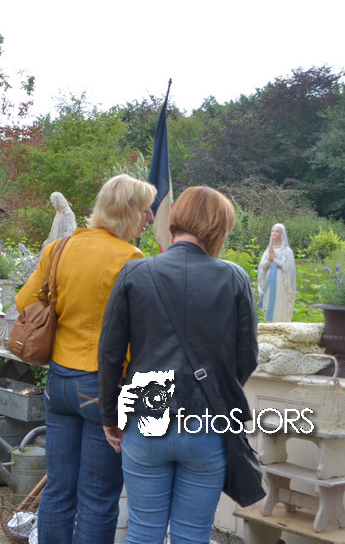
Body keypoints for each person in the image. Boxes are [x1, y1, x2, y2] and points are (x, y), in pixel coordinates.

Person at [99, 186, 258, 544]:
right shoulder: (234, 278)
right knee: (192, 536)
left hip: (145, 421)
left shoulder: (134, 273)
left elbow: (110, 354)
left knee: (143, 532)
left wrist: (111, 417)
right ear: (219, 229)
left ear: (176, 220)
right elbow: (247, 357)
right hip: (206, 425)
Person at [14, 174, 156, 544]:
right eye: (145, 210)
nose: (150, 218)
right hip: (103, 388)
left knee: (59, 489)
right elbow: (143, 334)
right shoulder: (131, 260)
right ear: (127, 212)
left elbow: (24, 302)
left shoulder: (59, 248)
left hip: (58, 381)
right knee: (97, 497)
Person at [257, 223, 297, 322]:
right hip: (269, 280)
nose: (274, 233)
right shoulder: (268, 250)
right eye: (273, 231)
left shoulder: (286, 251)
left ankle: (280, 323)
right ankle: (270, 323)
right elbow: (261, 267)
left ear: (282, 234)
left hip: (281, 281)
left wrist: (274, 260)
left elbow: (288, 268)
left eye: (277, 231)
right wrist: (269, 260)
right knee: (269, 301)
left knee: (280, 302)